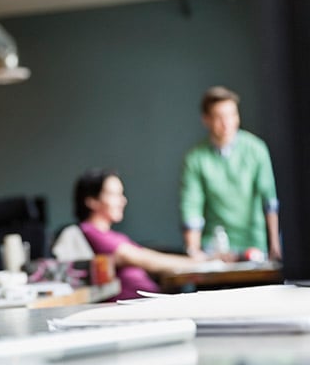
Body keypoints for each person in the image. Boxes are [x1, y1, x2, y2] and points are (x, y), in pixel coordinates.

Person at [74, 169, 213, 301]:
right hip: (129, 309)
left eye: (121, 194)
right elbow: (146, 259)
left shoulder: (113, 235)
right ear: (91, 201)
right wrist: (199, 263)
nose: (123, 201)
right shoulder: (90, 232)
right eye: (114, 195)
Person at [180, 86, 281, 260]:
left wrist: (275, 246)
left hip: (255, 245)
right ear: (206, 120)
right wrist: (193, 250)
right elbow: (191, 207)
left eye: (231, 115)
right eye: (219, 117)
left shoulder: (256, 149)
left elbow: (269, 200)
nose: (226, 123)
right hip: (216, 250)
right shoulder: (195, 159)